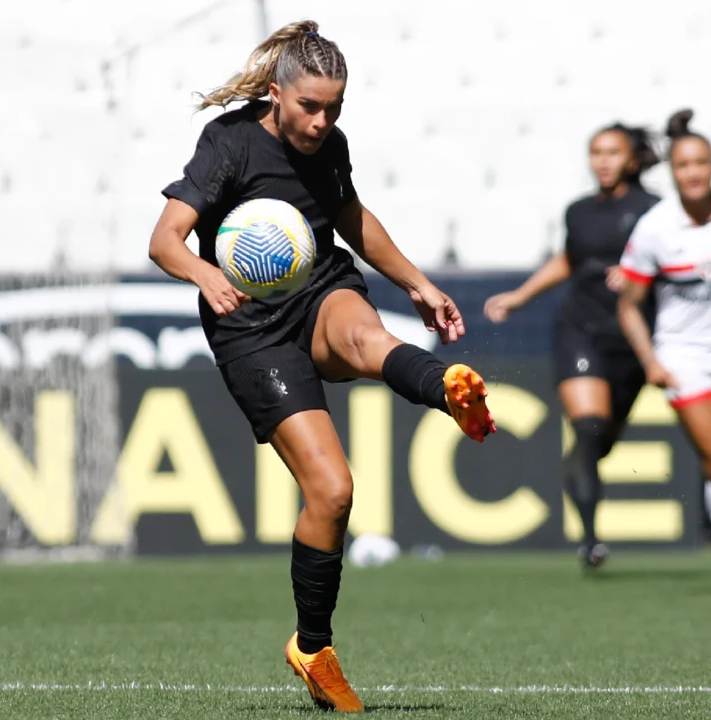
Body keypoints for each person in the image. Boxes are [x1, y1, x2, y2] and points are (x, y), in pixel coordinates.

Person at [148, 19, 496, 714]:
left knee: (366, 338)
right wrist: (203, 276)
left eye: (334, 107)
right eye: (310, 106)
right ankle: (312, 648)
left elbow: (350, 218)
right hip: (249, 324)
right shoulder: (230, 143)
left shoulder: (329, 145)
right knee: (334, 492)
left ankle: (447, 388)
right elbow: (164, 240)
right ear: (277, 93)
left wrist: (419, 284)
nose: (322, 119)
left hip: (318, 287)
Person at [484, 124, 661, 568]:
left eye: (612, 152)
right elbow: (569, 259)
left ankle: (584, 486)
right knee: (586, 429)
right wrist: (521, 296)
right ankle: (590, 540)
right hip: (581, 328)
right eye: (596, 152)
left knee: (600, 442)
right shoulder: (578, 211)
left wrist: (642, 274)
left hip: (634, 339)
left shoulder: (656, 211)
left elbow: (673, 261)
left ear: (632, 159)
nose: (602, 160)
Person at [618, 108, 711, 545]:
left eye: (701, 163)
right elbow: (629, 306)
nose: (693, 173)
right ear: (672, 173)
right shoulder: (655, 228)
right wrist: (651, 361)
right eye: (683, 165)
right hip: (683, 355)